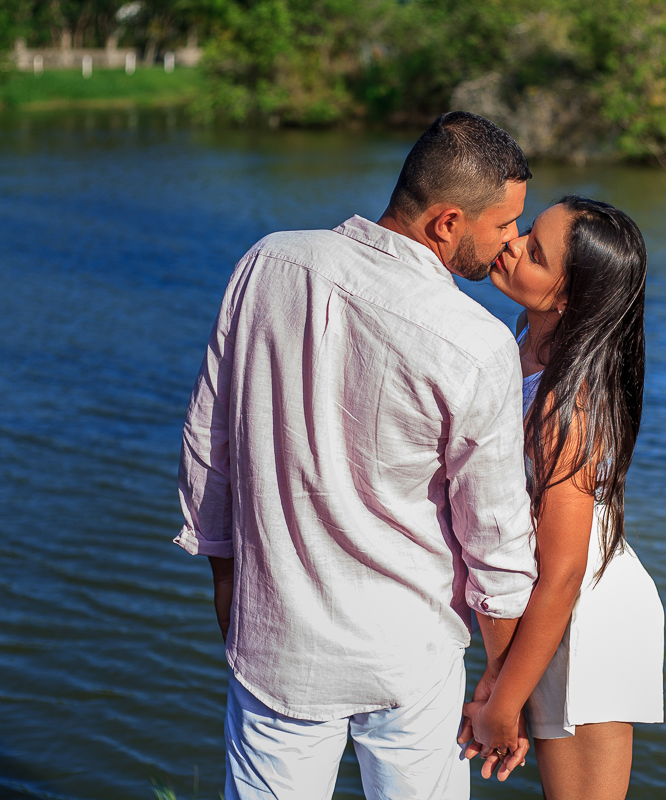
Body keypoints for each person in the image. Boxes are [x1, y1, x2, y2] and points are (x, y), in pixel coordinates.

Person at [174, 111, 539, 800]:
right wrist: (501, 685)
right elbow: (495, 536)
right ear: (446, 222)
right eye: (503, 226)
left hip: (278, 642)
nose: (510, 243)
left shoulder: (267, 262)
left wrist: (229, 587)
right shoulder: (476, 341)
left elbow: (207, 445)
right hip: (409, 655)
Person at [461, 196, 664, 798]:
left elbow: (567, 568)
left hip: (588, 611)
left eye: (536, 252)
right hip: (557, 604)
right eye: (526, 230)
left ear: (569, 297)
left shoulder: (566, 404)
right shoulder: (527, 336)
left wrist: (505, 700)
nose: (513, 242)